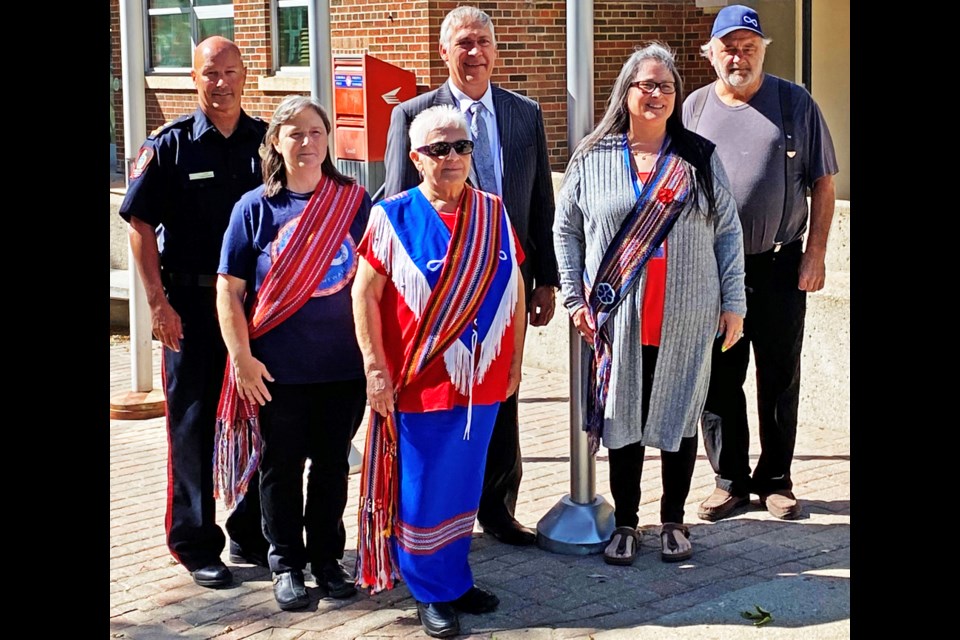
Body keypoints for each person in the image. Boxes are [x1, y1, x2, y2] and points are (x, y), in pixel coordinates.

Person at [553, 43, 746, 566]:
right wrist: (575, 298)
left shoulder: (699, 158)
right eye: (646, 85)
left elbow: (727, 232)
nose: (657, 94)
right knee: (624, 416)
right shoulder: (592, 158)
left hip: (687, 312)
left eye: (666, 86)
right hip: (620, 314)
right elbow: (565, 230)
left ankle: (674, 518)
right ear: (626, 93)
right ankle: (627, 522)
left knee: (679, 414)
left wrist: (735, 302)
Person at [382, 5, 558, 547]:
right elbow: (393, 204)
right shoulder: (412, 113)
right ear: (444, 52)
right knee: (438, 406)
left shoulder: (524, 113)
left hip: (503, 285)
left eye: (483, 41)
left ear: (496, 50)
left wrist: (545, 278)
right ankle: (428, 515)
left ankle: (498, 507)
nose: (474, 52)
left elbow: (539, 202)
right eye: (463, 43)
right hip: (437, 292)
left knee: (501, 396)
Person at [354, 105, 525, 638]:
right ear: (415, 157)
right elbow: (364, 294)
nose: (452, 158)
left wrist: (515, 360)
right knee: (425, 488)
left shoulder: (493, 212)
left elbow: (515, 291)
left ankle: (454, 578)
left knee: (464, 485)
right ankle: (430, 590)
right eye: (438, 149)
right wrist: (375, 369)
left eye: (461, 147)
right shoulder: (392, 216)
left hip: (483, 382)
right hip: (419, 381)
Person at [117, 36, 268, 588]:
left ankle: (252, 531)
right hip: (190, 306)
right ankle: (195, 541)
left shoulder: (265, 142)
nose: (222, 83)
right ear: (194, 78)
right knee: (193, 424)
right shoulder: (171, 145)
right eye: (211, 73)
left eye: (231, 72)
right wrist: (157, 304)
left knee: (257, 417)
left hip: (256, 311)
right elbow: (138, 226)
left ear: (245, 76)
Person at [215, 95, 371, 611]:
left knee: (330, 466)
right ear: (276, 143)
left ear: (329, 141)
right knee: (280, 469)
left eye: (316, 133)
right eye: (295, 133)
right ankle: (286, 563)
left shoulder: (354, 202)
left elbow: (376, 285)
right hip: (275, 370)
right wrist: (242, 358)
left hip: (343, 368)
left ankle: (327, 560)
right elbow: (229, 291)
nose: (306, 143)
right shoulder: (254, 208)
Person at [683, 5, 838, 522]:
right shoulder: (693, 109)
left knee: (778, 375)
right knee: (718, 378)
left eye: (749, 46)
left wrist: (815, 254)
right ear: (710, 53)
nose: (738, 55)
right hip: (713, 269)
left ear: (763, 50)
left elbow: (823, 184)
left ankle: (776, 480)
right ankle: (729, 481)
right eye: (728, 46)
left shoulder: (795, 103)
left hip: (780, 265)